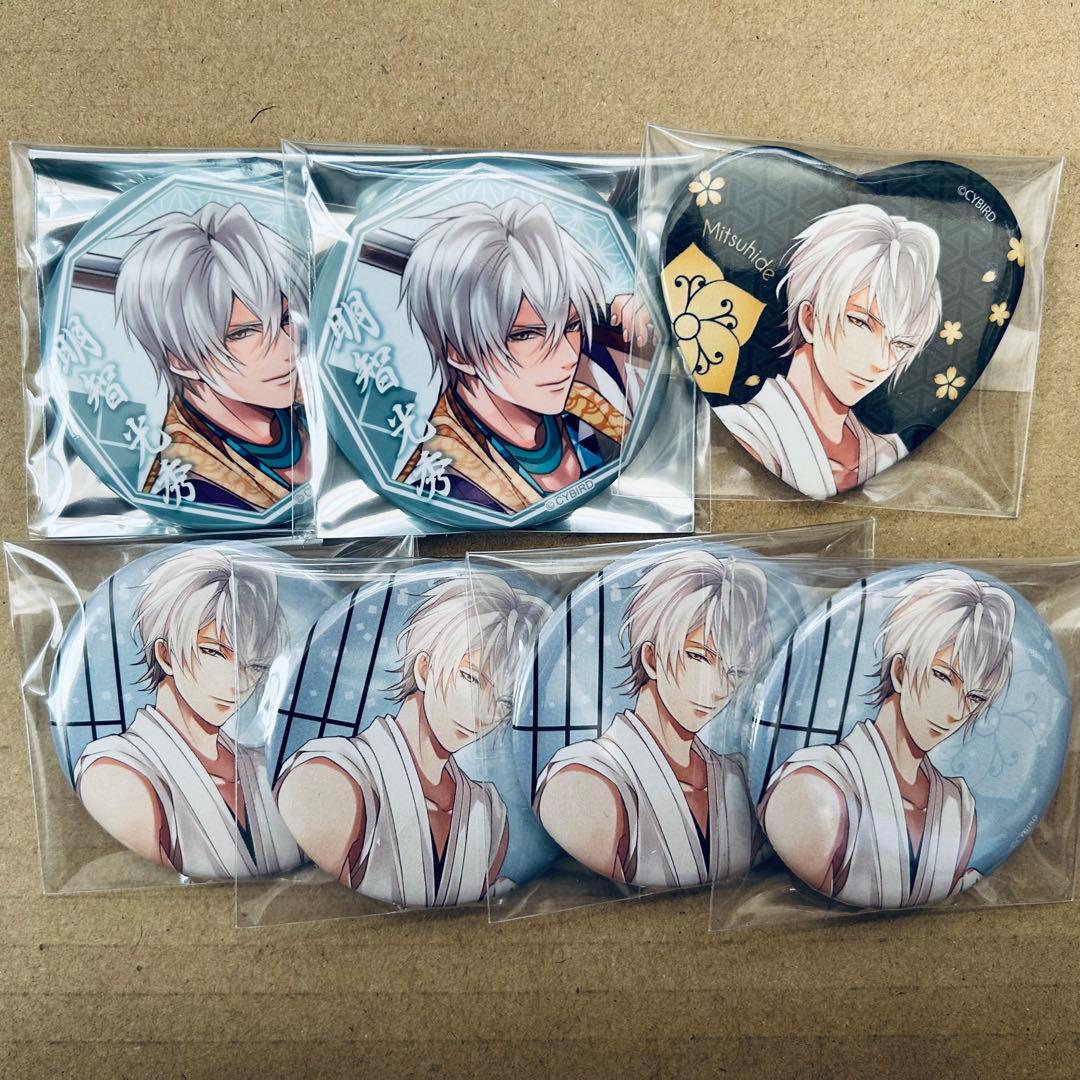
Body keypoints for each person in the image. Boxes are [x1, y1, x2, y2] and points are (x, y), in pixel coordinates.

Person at [275, 575, 549, 907]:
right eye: (471, 678)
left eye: (505, 701)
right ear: (424, 668)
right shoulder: (334, 775)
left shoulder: (487, 810)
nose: (485, 713)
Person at [760, 569, 1015, 908]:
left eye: (975, 697)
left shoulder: (958, 807)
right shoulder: (817, 786)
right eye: (943, 677)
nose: (956, 711)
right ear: (900, 671)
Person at [395, 198, 652, 513]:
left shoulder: (579, 405)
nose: (568, 357)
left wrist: (650, 332)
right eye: (525, 335)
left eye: (571, 325)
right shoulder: (446, 485)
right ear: (460, 354)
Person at [534, 550, 769, 887]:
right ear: (651, 657)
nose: (719, 688)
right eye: (699, 657)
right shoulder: (585, 779)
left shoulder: (734, 777)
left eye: (736, 672)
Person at [75, 548, 299, 880]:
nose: (238, 682)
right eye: (213, 652)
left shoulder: (262, 767)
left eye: (255, 665)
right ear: (165, 654)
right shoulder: (119, 769)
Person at [717, 203, 942, 499]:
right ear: (809, 319)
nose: (881, 362)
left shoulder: (889, 451)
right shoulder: (747, 432)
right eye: (860, 322)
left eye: (901, 344)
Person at [115, 201, 310, 511]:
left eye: (286, 319)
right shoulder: (194, 490)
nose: (288, 347)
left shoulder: (307, 401)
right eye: (242, 333)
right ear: (181, 360)